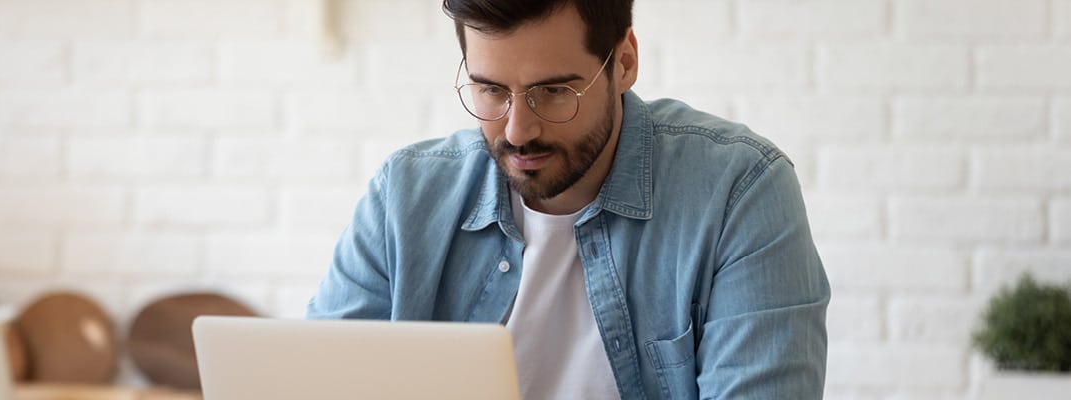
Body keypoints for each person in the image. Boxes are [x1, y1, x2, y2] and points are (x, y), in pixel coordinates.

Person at [306, 0, 831, 398]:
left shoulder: (739, 192)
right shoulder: (404, 196)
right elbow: (315, 382)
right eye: (491, 90)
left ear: (623, 63)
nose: (517, 129)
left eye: (554, 91)